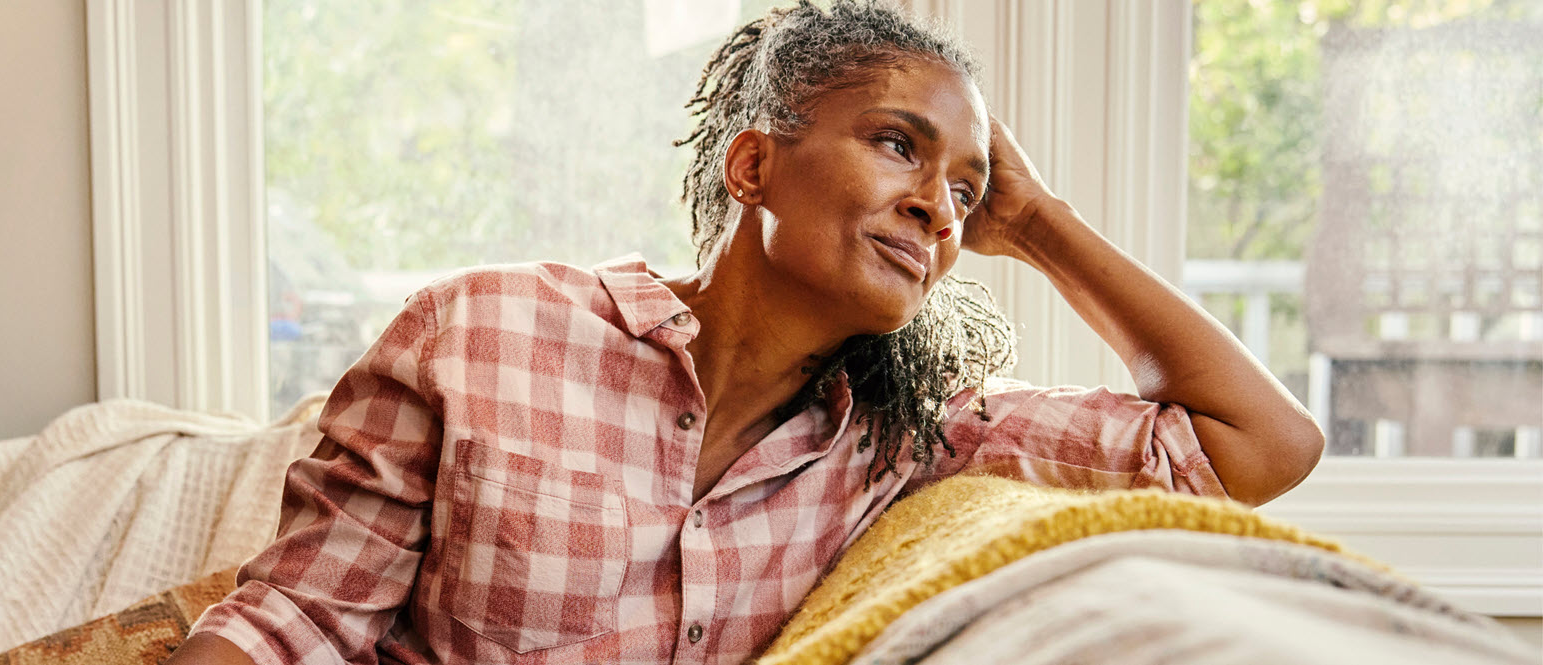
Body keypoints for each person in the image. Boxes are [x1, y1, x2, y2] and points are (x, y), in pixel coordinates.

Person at [167, 2, 1324, 663]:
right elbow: (297, 619)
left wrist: (1042, 221)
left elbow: (1254, 446)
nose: (938, 205)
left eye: (967, 191)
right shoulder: (479, 331)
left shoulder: (908, 437)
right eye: (895, 143)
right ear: (752, 161)